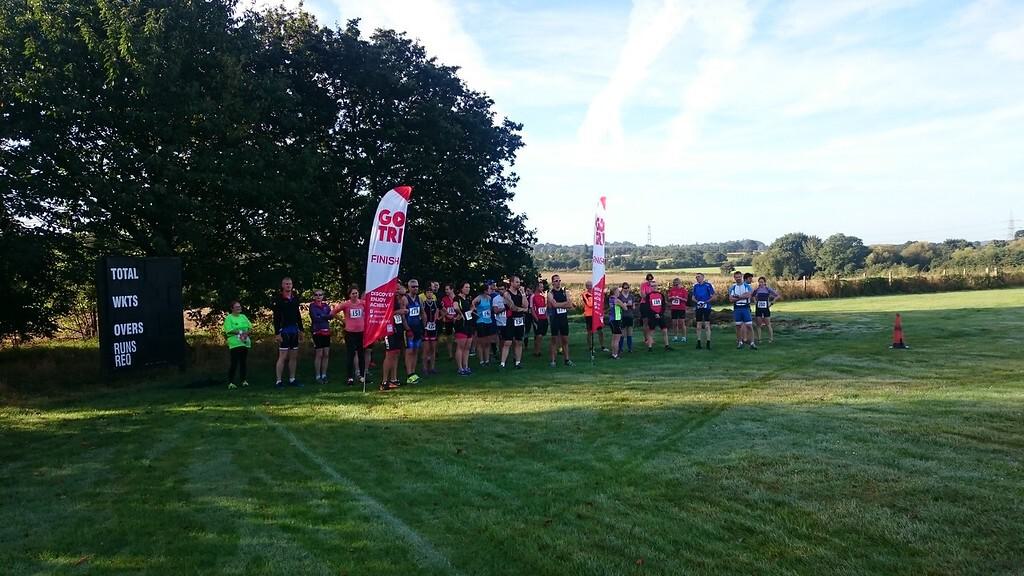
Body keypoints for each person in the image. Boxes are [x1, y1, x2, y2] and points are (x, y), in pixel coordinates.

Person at [272, 277, 303, 388]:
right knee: (283, 356)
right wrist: (277, 333)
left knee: (293, 356)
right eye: (286, 284)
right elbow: (276, 317)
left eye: (290, 284)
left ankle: (292, 379)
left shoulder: (295, 298)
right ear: (282, 285)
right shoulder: (279, 299)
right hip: (283, 330)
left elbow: (298, 314)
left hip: (294, 330)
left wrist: (301, 329)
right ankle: (278, 381)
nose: (288, 286)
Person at [333, 286, 365, 386]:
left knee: (361, 354)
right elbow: (333, 312)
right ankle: (350, 377)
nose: (355, 295)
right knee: (351, 355)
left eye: (356, 293)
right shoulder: (346, 304)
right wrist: (343, 321)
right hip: (350, 332)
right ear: (349, 295)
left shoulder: (363, 303)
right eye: (353, 293)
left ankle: (362, 376)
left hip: (361, 332)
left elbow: (370, 312)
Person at [380, 285, 408, 390]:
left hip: (398, 325)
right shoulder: (385, 298)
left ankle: (394, 379)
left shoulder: (397, 298)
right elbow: (384, 313)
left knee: (396, 352)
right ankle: (384, 381)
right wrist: (398, 312)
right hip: (389, 327)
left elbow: (404, 291)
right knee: (389, 353)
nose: (398, 290)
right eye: (395, 288)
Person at [309, 288, 337, 384]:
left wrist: (322, 316)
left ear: (323, 296)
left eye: (320, 295)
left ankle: (324, 374)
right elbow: (315, 318)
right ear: (314, 296)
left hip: (326, 331)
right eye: (316, 295)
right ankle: (318, 375)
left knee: (326, 354)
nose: (318, 296)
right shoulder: (312, 306)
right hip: (317, 331)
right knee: (319, 354)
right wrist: (325, 316)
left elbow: (331, 315)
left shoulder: (326, 306)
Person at [500, 276, 528, 369]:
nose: (518, 284)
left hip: (519, 320)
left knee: (519, 341)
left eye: (519, 282)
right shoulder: (507, 294)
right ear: (511, 283)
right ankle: (502, 363)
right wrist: (523, 309)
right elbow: (512, 307)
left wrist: (523, 294)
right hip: (511, 320)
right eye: (516, 282)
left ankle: (518, 362)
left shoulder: (520, 293)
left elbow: (526, 305)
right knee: (508, 342)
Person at [547, 274, 575, 367]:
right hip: (555, 319)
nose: (558, 282)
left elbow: (570, 305)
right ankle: (553, 361)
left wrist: (562, 304)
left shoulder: (565, 292)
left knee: (565, 340)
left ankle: (567, 359)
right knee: (554, 340)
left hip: (563, 319)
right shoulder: (550, 293)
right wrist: (565, 304)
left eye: (559, 280)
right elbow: (554, 305)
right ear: (552, 283)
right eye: (556, 281)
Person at [223, 301, 252, 389]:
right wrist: (240, 333)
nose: (239, 308)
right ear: (232, 308)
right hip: (235, 343)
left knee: (243, 362)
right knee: (234, 362)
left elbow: (250, 327)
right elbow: (229, 330)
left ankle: (243, 380)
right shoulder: (229, 318)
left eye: (239, 306)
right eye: (236, 307)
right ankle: (231, 382)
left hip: (244, 342)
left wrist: (246, 333)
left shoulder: (243, 317)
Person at [403, 279, 423, 384]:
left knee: (416, 350)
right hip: (409, 329)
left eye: (417, 286)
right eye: (413, 286)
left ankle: (414, 372)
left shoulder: (419, 298)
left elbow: (422, 312)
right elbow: (402, 315)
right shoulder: (405, 299)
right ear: (409, 287)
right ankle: (409, 374)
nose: (415, 288)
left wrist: (424, 325)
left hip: (418, 328)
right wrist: (407, 328)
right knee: (409, 351)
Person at [729, 271, 756, 349]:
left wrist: (737, 297)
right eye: (736, 277)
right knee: (738, 326)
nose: (738, 278)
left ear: (742, 277)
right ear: (734, 278)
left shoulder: (747, 286)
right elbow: (730, 299)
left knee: (749, 326)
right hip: (737, 308)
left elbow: (748, 295)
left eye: (739, 277)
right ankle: (740, 342)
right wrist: (742, 297)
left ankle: (752, 343)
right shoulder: (732, 287)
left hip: (745, 307)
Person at [453, 282, 475, 375]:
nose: (468, 289)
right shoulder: (457, 298)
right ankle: (460, 368)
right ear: (461, 288)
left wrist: (472, 310)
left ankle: (466, 366)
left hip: (469, 324)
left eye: (469, 287)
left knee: (467, 347)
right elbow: (455, 307)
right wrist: (460, 313)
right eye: (466, 287)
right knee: (460, 347)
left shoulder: (468, 299)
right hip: (461, 325)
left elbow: (471, 308)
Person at [644, 281, 673, 351]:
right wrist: (655, 314)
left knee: (665, 330)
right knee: (651, 331)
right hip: (652, 316)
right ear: (650, 287)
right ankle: (650, 347)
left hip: (660, 315)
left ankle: (667, 346)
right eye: (652, 286)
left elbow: (663, 306)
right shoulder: (648, 296)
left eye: (655, 286)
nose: (654, 287)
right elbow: (648, 307)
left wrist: (660, 314)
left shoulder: (661, 295)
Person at [472, 282, 496, 366]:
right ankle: (481, 361)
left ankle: (487, 360)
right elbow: (472, 305)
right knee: (481, 342)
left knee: (487, 342)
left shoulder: (489, 298)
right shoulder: (478, 298)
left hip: (488, 321)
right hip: (481, 321)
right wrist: (476, 313)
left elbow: (491, 308)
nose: (491, 290)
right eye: (489, 288)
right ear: (485, 290)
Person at [582, 280, 608, 355]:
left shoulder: (596, 293)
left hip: (596, 314)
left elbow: (601, 301)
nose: (590, 287)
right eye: (588, 286)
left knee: (600, 331)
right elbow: (589, 304)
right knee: (590, 332)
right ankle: (590, 347)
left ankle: (602, 346)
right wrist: (596, 301)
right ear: (586, 286)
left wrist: (597, 301)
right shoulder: (585, 294)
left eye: (591, 285)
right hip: (589, 315)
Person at [752, 276, 780, 344]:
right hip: (758, 309)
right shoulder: (757, 290)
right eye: (759, 282)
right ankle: (759, 340)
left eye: (762, 282)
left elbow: (777, 295)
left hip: (766, 309)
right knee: (758, 325)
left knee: (768, 324)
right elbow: (752, 296)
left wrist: (772, 302)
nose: (760, 283)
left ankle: (771, 339)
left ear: (765, 283)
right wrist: (755, 301)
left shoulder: (768, 289)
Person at [692, 273, 715, 350]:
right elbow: (693, 297)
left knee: (707, 325)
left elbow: (713, 296)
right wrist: (698, 302)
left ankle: (708, 342)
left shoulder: (708, 285)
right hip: (698, 307)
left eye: (698, 277)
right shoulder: (695, 286)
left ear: (703, 277)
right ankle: (698, 342)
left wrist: (706, 302)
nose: (697, 278)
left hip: (707, 307)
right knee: (698, 325)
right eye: (696, 277)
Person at [421, 284, 440, 375]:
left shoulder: (435, 303)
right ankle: (424, 368)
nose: (429, 294)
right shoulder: (423, 304)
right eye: (428, 292)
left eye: (431, 292)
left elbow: (442, 310)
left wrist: (438, 318)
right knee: (426, 349)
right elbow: (422, 314)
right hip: (426, 328)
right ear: (425, 294)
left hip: (434, 327)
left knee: (433, 348)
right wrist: (424, 324)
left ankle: (432, 367)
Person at [668, 278, 689, 343]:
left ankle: (684, 337)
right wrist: (672, 298)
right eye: (674, 284)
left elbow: (686, 300)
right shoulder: (672, 290)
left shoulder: (684, 290)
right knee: (674, 323)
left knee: (682, 323)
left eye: (677, 284)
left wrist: (679, 298)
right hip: (674, 308)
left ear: (680, 283)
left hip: (681, 308)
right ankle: (675, 337)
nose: (675, 286)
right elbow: (669, 298)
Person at [531, 280, 549, 357]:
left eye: (543, 287)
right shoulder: (533, 296)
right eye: (541, 286)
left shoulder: (543, 296)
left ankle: (538, 350)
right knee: (539, 335)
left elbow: (545, 306)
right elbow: (532, 308)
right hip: (538, 318)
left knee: (542, 335)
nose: (542, 288)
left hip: (544, 318)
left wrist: (547, 317)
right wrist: (536, 318)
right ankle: (537, 352)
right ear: (537, 287)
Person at [440, 284, 457, 360]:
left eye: (447, 289)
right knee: (449, 338)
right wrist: (447, 315)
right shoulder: (444, 299)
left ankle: (457, 353)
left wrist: (456, 317)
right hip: (448, 320)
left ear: (452, 289)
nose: (446, 291)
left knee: (458, 337)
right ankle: (450, 355)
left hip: (457, 319)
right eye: (445, 289)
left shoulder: (457, 298)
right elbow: (442, 308)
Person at [618, 282, 635, 353]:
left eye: (628, 288)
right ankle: (620, 348)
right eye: (625, 288)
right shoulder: (620, 296)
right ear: (622, 288)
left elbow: (634, 307)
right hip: (622, 316)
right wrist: (624, 305)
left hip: (630, 315)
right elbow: (618, 305)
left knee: (630, 333)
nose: (627, 289)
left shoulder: (631, 296)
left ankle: (630, 348)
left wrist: (630, 305)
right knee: (622, 333)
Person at [607, 287, 624, 359]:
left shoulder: (610, 299)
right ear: (614, 292)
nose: (619, 292)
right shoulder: (617, 300)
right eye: (618, 291)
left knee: (613, 338)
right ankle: (616, 354)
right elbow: (625, 308)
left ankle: (613, 353)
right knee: (617, 339)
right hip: (616, 320)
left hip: (611, 320)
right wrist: (625, 304)